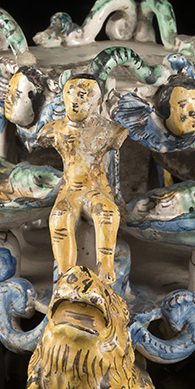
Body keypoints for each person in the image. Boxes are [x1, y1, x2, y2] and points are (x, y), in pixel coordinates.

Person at [38, 75, 128, 282]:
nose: (75, 101)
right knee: (59, 216)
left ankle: (105, 268)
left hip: (96, 189)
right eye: (69, 94)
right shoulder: (55, 129)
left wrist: (117, 196)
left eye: (83, 95)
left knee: (107, 213)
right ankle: (65, 276)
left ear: (98, 100)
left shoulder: (110, 130)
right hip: (69, 190)